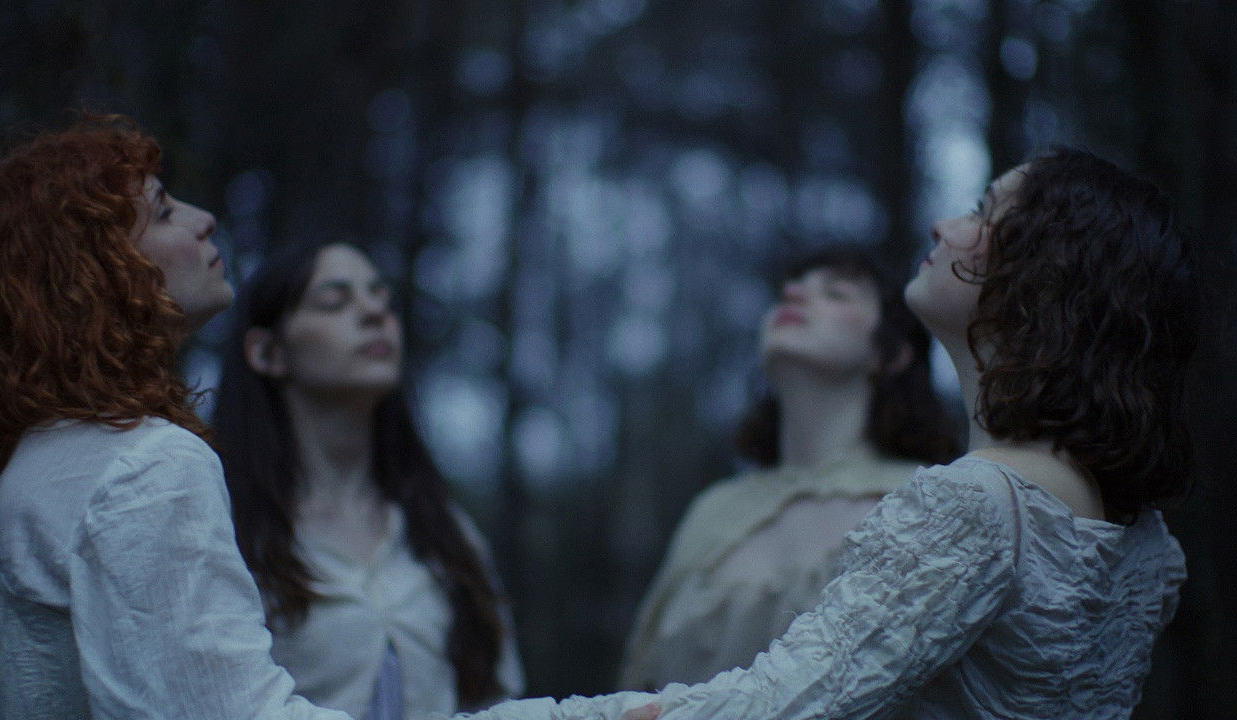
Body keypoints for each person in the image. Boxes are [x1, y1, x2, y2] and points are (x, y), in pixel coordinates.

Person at [446, 147, 1198, 719]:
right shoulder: (1148, 546)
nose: (944, 226)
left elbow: (768, 709)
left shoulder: (973, 505)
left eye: (984, 213)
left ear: (1043, 276)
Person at [0, 116, 354, 718]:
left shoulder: (7, 466)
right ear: (90, 272)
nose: (205, 219)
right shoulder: (143, 467)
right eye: (165, 213)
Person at [619, 248, 959, 690]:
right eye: (791, 289)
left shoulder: (924, 501)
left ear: (890, 355)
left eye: (837, 293)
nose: (794, 294)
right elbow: (640, 684)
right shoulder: (713, 510)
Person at [212, 241, 524, 720]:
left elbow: (501, 701)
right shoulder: (225, 526)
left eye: (382, 298)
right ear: (267, 352)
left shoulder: (446, 533)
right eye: (334, 301)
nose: (375, 313)